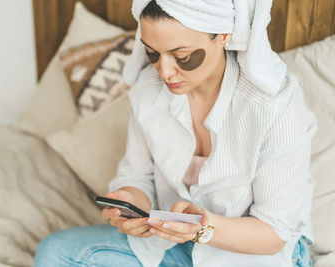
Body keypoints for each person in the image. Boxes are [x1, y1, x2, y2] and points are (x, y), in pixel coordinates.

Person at [34, 1, 317, 266]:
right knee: (56, 253)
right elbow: (136, 176)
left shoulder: (276, 106)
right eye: (153, 53)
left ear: (223, 35)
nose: (165, 72)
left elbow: (273, 233)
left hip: (253, 255)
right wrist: (132, 205)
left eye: (183, 56)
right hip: (171, 244)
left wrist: (203, 228)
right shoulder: (148, 90)